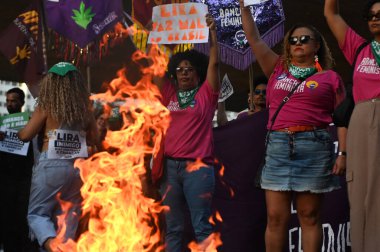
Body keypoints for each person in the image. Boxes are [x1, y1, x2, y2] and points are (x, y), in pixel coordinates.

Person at [239, 1, 346, 251]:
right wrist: (245, 7)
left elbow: (343, 118)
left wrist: (342, 153)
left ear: (316, 45)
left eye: (305, 39)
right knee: (276, 218)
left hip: (314, 146)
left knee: (309, 216)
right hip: (278, 146)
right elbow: (253, 37)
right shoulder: (277, 68)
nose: (298, 43)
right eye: (293, 40)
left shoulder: (329, 78)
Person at [152, 14, 219, 251]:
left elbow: (214, 64)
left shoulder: (206, 95)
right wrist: (159, 36)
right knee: (173, 228)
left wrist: (213, 35)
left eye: (189, 69)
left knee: (201, 226)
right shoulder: (169, 94)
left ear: (197, 73)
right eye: (179, 69)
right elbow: (157, 68)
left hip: (198, 170)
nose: (184, 73)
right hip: (170, 169)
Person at [17, 62, 98, 252]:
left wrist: (29, 125)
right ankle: (62, 247)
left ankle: (53, 245)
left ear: (51, 82)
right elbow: (95, 139)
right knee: (67, 220)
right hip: (76, 170)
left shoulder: (47, 105)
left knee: (37, 215)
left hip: (50, 167)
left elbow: (25, 135)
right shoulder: (84, 108)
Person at [324, 0, 380, 251]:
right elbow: (331, 13)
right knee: (358, 191)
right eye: (370, 15)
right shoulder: (359, 48)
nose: (375, 19)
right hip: (361, 119)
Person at [0, 88, 36, 252]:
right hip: (5, 178)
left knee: (22, 216)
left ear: (22, 103)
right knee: (6, 216)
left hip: (24, 178)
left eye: (13, 101)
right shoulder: (1, 122)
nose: (10, 104)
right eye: (7, 101)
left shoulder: (29, 121)